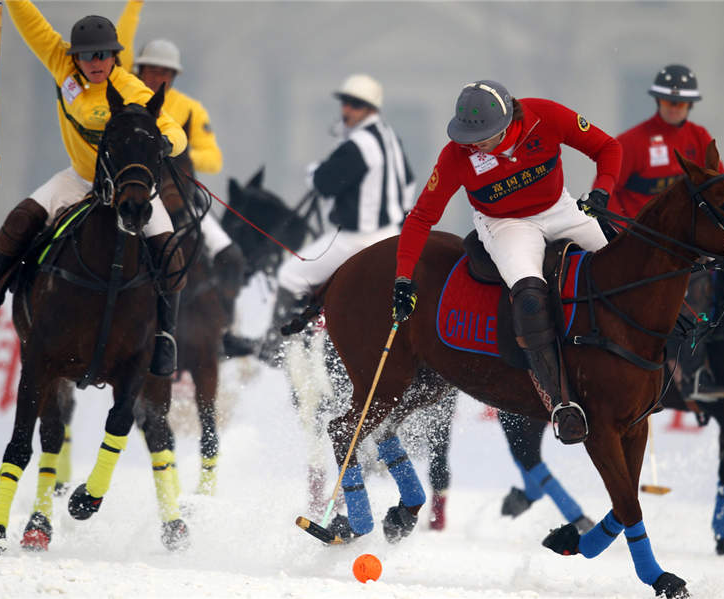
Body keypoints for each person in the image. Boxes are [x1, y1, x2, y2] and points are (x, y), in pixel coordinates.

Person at [392, 80, 621, 440]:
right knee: (530, 295)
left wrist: (602, 191)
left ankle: (660, 362)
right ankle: (560, 403)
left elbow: (607, 147)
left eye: (483, 135)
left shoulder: (545, 116)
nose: (473, 143)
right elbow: (422, 217)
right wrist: (403, 278)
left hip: (560, 209)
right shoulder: (456, 156)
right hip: (505, 224)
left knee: (619, 268)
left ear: (508, 120)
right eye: (469, 135)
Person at [0, 0, 188, 378]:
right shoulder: (63, 67)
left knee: (169, 251)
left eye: (103, 55)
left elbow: (173, 129)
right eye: (87, 55)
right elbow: (31, 22)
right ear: (75, 57)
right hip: (80, 179)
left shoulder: (129, 87)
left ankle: (164, 336)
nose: (95, 62)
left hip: (126, 187)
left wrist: (167, 143)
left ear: (114, 56)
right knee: (20, 219)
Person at [261, 73, 416, 359]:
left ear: (371, 109)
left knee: (290, 275)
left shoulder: (358, 144)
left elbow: (324, 183)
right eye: (345, 103)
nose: (347, 110)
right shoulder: (390, 137)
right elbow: (408, 184)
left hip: (357, 239)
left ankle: (274, 348)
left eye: (355, 105)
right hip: (392, 235)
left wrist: (312, 173)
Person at [128, 35, 252, 357]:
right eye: (152, 70)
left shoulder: (189, 109)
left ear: (175, 77)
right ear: (138, 70)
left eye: (165, 72)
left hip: (180, 194)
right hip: (133, 192)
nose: (158, 78)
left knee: (231, 255)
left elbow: (213, 159)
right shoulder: (126, 100)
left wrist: (178, 155)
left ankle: (226, 329)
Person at [611, 64, 724, 402]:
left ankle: (711, 365)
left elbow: (722, 189)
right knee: (691, 295)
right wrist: (626, 232)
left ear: (690, 106)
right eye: (667, 101)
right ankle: (686, 374)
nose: (673, 107)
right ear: (657, 101)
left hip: (687, 246)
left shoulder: (699, 139)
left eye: (679, 103)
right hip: (643, 249)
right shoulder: (633, 142)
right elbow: (608, 190)